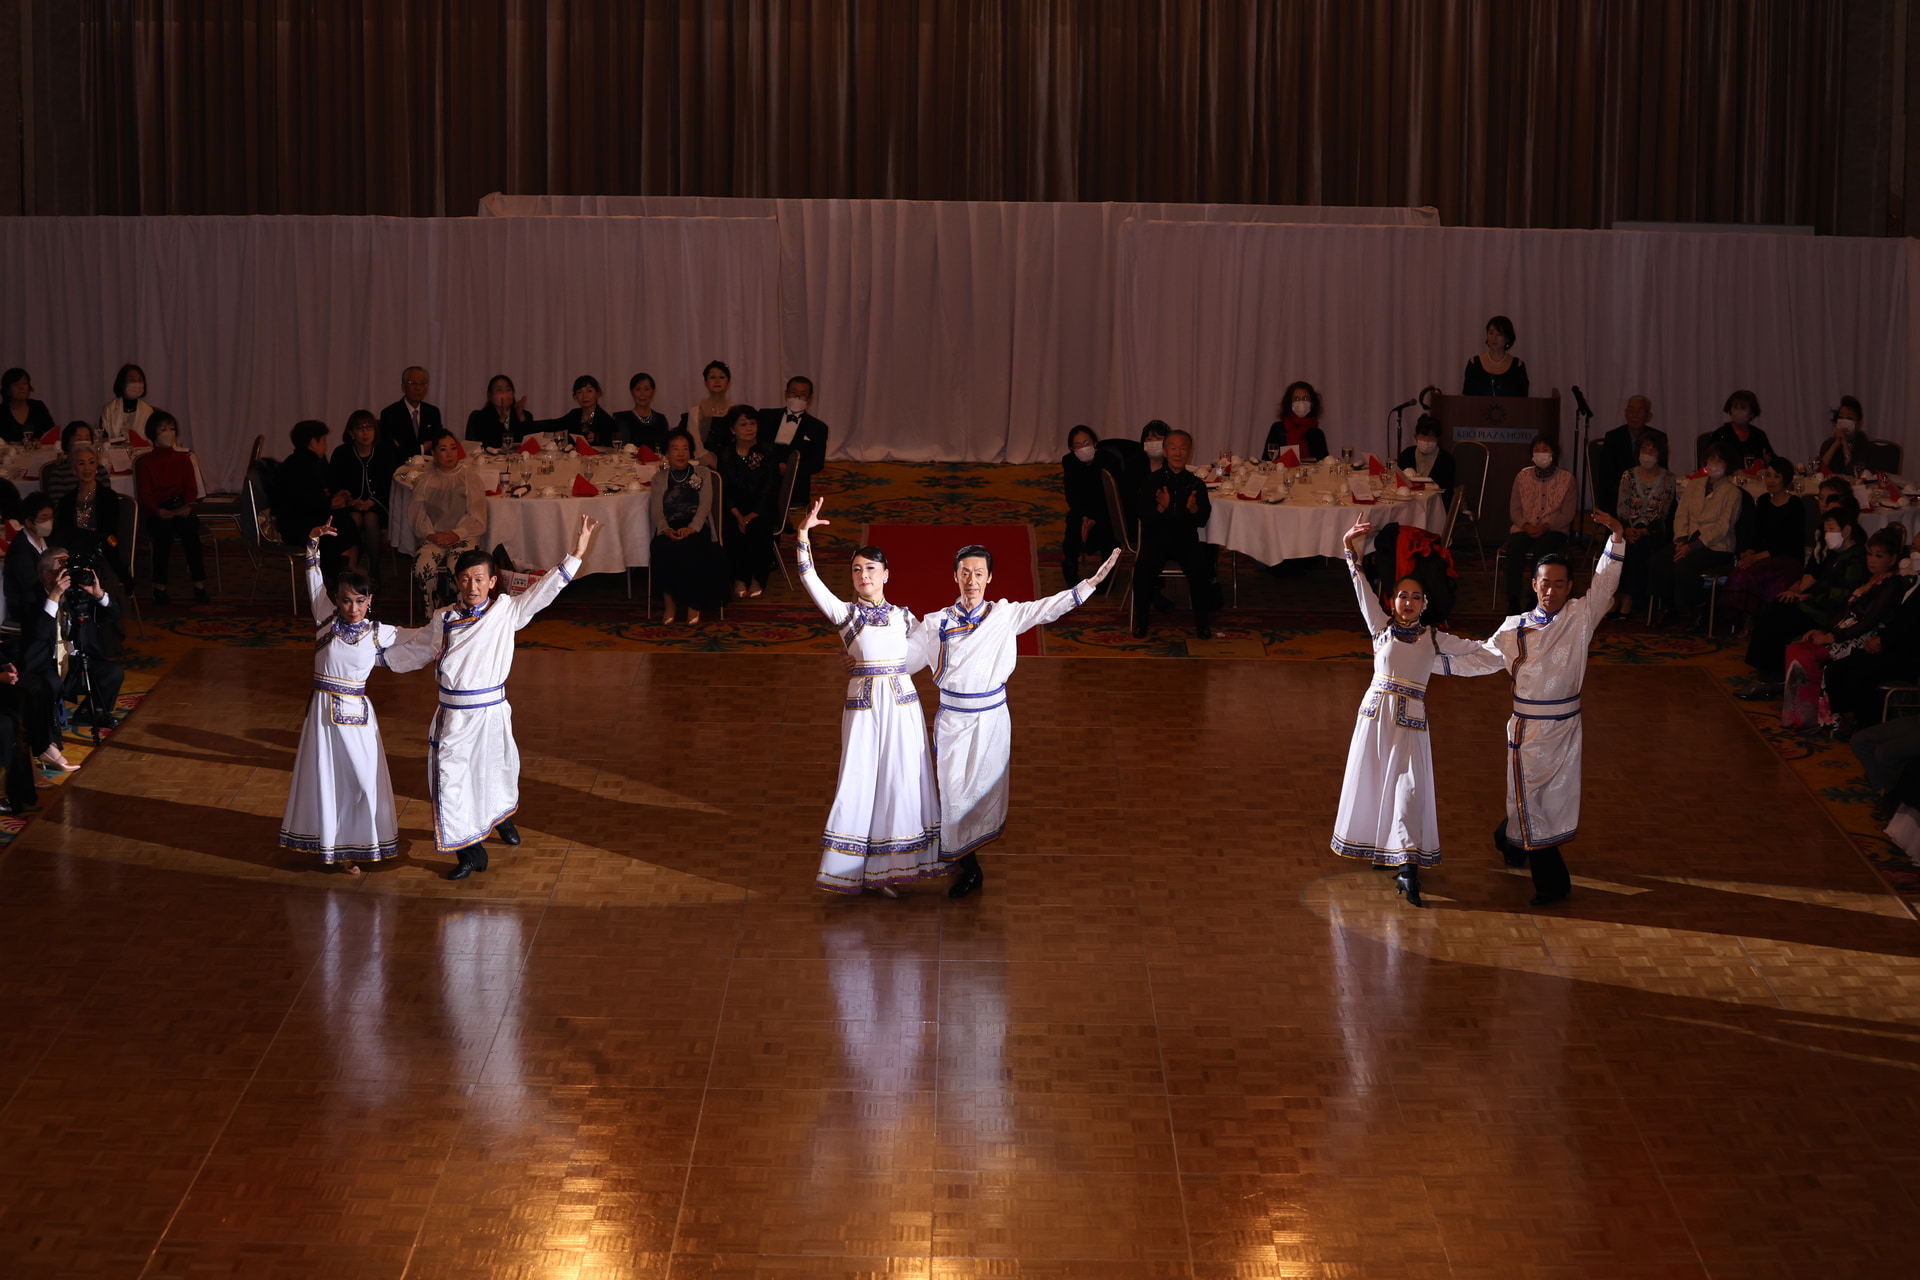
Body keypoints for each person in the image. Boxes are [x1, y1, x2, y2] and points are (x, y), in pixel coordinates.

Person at [906, 539, 1119, 899]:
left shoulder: (1004, 616)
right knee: (953, 793)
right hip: (955, 722)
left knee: (981, 794)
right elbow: (904, 661)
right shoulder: (936, 623)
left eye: (978, 573)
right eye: (964, 573)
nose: (971, 580)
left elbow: (1047, 609)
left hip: (991, 722)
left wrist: (1090, 584)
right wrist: (865, 662)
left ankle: (962, 859)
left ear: (990, 578)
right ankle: (967, 865)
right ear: (954, 577)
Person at [394, 515, 597, 880]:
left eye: (479, 580)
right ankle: (470, 853)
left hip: (491, 713)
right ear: (456, 582)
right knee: (449, 779)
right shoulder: (443, 618)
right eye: (465, 579)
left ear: (492, 582)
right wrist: (371, 650)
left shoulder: (506, 611)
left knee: (496, 774)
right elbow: (414, 648)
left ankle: (501, 818)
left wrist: (576, 553)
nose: (472, 586)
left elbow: (543, 590)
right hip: (454, 718)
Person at [1331, 519, 1505, 905]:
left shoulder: (1435, 638)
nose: (1407, 602)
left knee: (1407, 789)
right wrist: (1350, 549)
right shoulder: (1380, 629)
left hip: (1410, 723)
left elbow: (1482, 653)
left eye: (1415, 597)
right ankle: (1383, 848)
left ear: (1425, 604)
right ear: (1392, 600)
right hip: (1376, 719)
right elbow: (1361, 590)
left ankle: (1407, 865)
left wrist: (1516, 645)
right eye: (1401, 596)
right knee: (1376, 783)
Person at [1477, 511, 1628, 906]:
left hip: (1565, 729)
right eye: (1546, 584)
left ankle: (1509, 841)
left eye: (1560, 585)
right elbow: (1478, 657)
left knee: (1543, 801)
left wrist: (1616, 538)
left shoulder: (1580, 618)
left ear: (1569, 587)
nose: (1552, 591)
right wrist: (1428, 655)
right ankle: (1554, 884)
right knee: (1530, 799)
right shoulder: (1513, 628)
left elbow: (1605, 583)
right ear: (1534, 585)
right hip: (1527, 730)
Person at [793, 502, 943, 895]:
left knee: (901, 780)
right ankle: (852, 869)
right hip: (863, 710)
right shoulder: (845, 614)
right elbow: (811, 581)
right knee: (860, 779)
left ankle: (891, 869)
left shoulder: (904, 617)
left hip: (904, 707)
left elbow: (922, 654)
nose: (863, 575)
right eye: (857, 570)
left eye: (870, 569)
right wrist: (803, 537)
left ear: (886, 574)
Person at [277, 521, 427, 875]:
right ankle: (337, 849)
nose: (352, 607)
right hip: (323, 717)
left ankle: (363, 840)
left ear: (370, 600)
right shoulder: (325, 620)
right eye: (345, 600)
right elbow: (312, 576)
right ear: (337, 599)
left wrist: (452, 625)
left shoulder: (379, 633)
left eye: (360, 600)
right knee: (329, 780)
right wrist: (312, 541)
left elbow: (423, 636)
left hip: (358, 718)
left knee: (362, 780)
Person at [1779, 527, 1906, 733]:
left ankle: (1823, 717)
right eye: (1870, 554)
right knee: (1796, 648)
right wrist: (1823, 630)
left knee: (1810, 654)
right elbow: (1844, 610)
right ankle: (1802, 714)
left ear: (1892, 559)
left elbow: (1870, 621)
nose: (1872, 560)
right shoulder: (1870, 579)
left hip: (1862, 637)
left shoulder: (1892, 585)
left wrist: (1833, 636)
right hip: (1845, 630)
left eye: (1879, 556)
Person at [15, 545, 126, 771]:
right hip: (43, 665)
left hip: (73, 665)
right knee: (49, 684)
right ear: (47, 574)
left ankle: (88, 714)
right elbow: (37, 635)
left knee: (112, 673)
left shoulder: (76, 593)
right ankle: (50, 745)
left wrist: (98, 594)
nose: (69, 570)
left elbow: (112, 615)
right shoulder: (29, 597)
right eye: (62, 566)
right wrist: (54, 596)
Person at [1742, 510, 1870, 693]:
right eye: (1826, 529)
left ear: (1847, 530)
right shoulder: (1836, 554)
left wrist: (1807, 598)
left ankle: (1769, 677)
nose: (1827, 534)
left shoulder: (1855, 559)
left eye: (1831, 529)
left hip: (1827, 613)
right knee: (1778, 605)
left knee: (1774, 621)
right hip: (1816, 604)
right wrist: (1803, 594)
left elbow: (1839, 596)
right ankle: (1771, 670)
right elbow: (1823, 583)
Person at [1131, 429, 1218, 639]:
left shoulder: (1196, 483)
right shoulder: (1152, 481)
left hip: (1185, 540)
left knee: (1201, 570)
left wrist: (1194, 510)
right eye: (1173, 448)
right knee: (1142, 571)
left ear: (1190, 451)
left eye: (1182, 448)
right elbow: (1145, 518)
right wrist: (1162, 508)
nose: (1178, 453)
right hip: (1156, 540)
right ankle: (1141, 622)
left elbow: (1202, 519)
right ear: (1165, 451)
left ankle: (1202, 624)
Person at [1648, 443, 1744, 628]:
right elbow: (1682, 514)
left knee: (1685, 565)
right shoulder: (1694, 485)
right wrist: (1682, 540)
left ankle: (1697, 607)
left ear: (1728, 464)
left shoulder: (1733, 493)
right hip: (1688, 540)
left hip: (1717, 546)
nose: (1715, 463)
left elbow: (1723, 527)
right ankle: (1668, 606)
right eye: (1711, 459)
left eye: (1720, 460)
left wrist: (1693, 546)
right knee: (1658, 561)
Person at [649, 428, 728, 624]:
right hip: (669, 526)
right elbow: (657, 510)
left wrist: (692, 527)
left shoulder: (703, 473)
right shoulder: (659, 478)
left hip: (697, 526)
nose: (681, 453)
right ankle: (669, 603)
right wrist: (665, 529)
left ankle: (694, 603)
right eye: (675, 449)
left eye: (685, 448)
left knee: (693, 547)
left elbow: (705, 506)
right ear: (667, 453)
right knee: (661, 547)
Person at [133, 411, 209, 606]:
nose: (169, 433)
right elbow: (145, 496)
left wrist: (188, 507)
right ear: (153, 434)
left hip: (181, 507)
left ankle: (199, 584)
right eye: (163, 429)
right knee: (163, 537)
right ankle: (159, 586)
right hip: (157, 511)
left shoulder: (184, 459)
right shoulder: (146, 463)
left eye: (172, 428)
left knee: (190, 533)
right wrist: (158, 511)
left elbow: (190, 488)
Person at [408, 429, 488, 611]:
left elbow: (477, 515)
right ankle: (433, 610)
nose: (450, 453)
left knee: (458, 566)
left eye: (453, 448)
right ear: (434, 453)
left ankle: (465, 609)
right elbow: (418, 515)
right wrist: (430, 534)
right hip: (434, 536)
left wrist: (457, 533)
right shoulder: (424, 480)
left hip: (465, 534)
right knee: (423, 566)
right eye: (443, 449)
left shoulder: (470, 478)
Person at [1722, 457, 1806, 619]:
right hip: (1763, 556)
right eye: (1768, 475)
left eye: (1776, 476)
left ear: (1786, 479)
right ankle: (1740, 620)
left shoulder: (1795, 505)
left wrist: (1756, 557)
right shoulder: (1763, 501)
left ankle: (1758, 621)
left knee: (1756, 576)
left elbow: (1788, 542)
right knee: (1740, 571)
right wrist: (1750, 551)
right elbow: (1756, 532)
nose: (1771, 480)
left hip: (1787, 558)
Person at [1501, 435, 1576, 614]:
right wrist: (1526, 525)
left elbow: (1568, 514)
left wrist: (1546, 526)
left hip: (1554, 529)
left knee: (1543, 551)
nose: (1541, 453)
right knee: (1515, 549)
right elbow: (1515, 510)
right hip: (1525, 527)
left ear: (1554, 453)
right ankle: (1513, 600)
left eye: (1545, 449)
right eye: (1537, 450)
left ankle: (1535, 598)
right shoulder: (1522, 476)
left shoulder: (1567, 479)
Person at [328, 408, 400, 589]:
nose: (366, 432)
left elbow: (390, 484)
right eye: (360, 428)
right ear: (351, 432)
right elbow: (334, 483)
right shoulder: (342, 453)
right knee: (355, 517)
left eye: (369, 428)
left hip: (379, 505)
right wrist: (349, 499)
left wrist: (372, 501)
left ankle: (374, 569)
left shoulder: (384, 452)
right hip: (349, 505)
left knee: (370, 517)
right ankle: (351, 570)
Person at [273, 420, 358, 573]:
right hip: (297, 528)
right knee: (344, 528)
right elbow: (304, 502)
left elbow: (315, 495)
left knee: (345, 523)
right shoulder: (304, 465)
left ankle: (342, 575)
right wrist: (331, 504)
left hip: (298, 521)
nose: (325, 445)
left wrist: (334, 497)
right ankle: (340, 576)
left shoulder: (300, 461)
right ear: (313, 442)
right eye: (323, 440)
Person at [1611, 427, 1675, 618]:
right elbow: (1622, 506)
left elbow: (1662, 512)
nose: (1647, 454)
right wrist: (1626, 529)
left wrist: (1643, 530)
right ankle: (1617, 595)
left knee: (1639, 548)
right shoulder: (1628, 475)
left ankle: (1629, 597)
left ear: (1660, 454)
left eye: (1652, 450)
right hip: (1626, 528)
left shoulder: (1668, 479)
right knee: (1620, 545)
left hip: (1653, 531)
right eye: (1643, 450)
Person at [714, 404, 777, 598]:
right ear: (733, 429)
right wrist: (737, 514)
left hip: (761, 507)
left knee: (757, 527)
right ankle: (740, 578)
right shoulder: (725, 454)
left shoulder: (768, 450)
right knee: (732, 528)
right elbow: (724, 489)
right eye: (743, 424)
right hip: (735, 508)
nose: (749, 428)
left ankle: (758, 577)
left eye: (753, 423)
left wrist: (752, 514)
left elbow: (770, 487)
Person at [53, 445, 132, 593]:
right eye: (81, 463)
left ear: (96, 466)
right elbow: (63, 534)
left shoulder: (109, 497)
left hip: (102, 554)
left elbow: (109, 534)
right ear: (73, 469)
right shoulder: (66, 501)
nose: (87, 468)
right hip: (74, 555)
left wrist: (84, 536)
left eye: (91, 462)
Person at [755, 375, 831, 510]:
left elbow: (817, 464)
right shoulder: (765, 416)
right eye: (793, 393)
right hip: (761, 478)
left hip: (794, 484)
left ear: (809, 398)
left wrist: (791, 469)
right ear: (786, 394)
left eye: (802, 394)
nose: (797, 397)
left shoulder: (818, 428)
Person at [1060, 425, 1117, 589]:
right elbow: (1071, 494)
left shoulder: (1109, 460)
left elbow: (1111, 497)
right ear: (1072, 448)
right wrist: (1084, 517)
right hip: (1082, 509)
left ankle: (1106, 575)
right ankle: (1070, 569)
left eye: (1086, 443)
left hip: (1105, 508)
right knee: (1073, 521)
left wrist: (1095, 519)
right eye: (1077, 445)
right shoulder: (1069, 461)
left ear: (1095, 443)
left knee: (1108, 527)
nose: (1083, 448)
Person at [1593, 395, 1655, 519]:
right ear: (1626, 413)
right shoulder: (1613, 437)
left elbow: (1661, 472)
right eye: (1631, 410)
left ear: (1648, 415)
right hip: (1619, 496)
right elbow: (1605, 478)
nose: (1634, 415)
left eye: (1639, 411)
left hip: (1650, 495)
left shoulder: (1657, 437)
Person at [5, 494, 56, 622]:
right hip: (27, 606)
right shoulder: (20, 548)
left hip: (48, 597)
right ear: (28, 522)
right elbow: (29, 584)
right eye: (43, 518)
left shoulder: (48, 540)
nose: (49, 522)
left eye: (51, 517)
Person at [378, 366, 442, 458]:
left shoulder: (433, 412)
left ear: (426, 388)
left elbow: (437, 443)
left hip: (428, 468)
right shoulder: (390, 414)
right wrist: (422, 448)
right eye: (412, 383)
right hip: (400, 468)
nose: (417, 388)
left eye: (422, 383)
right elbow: (391, 451)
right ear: (403, 387)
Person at [1395, 414, 1456, 507]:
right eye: (1423, 437)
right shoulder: (1407, 454)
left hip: (1435, 506)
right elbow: (1399, 483)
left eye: (1431, 437)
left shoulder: (1446, 460)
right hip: (1408, 503)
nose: (1427, 441)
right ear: (1415, 437)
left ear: (1438, 439)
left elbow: (1447, 491)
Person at [682, 360, 737, 461]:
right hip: (703, 465)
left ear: (728, 382)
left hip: (731, 464)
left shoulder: (735, 411)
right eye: (712, 377)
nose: (717, 381)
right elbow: (696, 448)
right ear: (706, 382)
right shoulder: (695, 412)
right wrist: (715, 464)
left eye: (721, 377)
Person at [1461, 315, 1529, 396]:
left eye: (1499, 334)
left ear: (1507, 338)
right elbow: (1467, 396)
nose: (1494, 338)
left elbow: (1522, 399)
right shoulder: (1474, 363)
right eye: (1491, 333)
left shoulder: (1517, 365)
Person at [1705, 390, 1774, 470]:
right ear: (1730, 410)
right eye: (1735, 407)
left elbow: (1774, 463)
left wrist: (1768, 462)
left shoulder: (1758, 435)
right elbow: (1706, 461)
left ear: (1751, 413)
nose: (1738, 412)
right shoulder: (1720, 434)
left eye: (1743, 408)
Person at [1263, 381, 1329, 462]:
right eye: (1296, 399)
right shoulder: (1277, 429)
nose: (1301, 402)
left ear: (1312, 403)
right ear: (1290, 403)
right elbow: (1266, 460)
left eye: (1305, 398)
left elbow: (1325, 464)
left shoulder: (1317, 434)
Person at [465, 374, 532, 449]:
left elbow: (529, 444)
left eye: (508, 390)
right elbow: (488, 443)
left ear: (513, 394)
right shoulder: (480, 417)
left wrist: (521, 417)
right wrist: (501, 419)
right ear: (490, 395)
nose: (504, 394)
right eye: (499, 390)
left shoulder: (525, 415)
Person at [37, 421, 95, 507]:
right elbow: (57, 507)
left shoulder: (99, 470)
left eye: (87, 439)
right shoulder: (59, 473)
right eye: (79, 440)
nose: (83, 444)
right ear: (68, 443)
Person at [97, 363, 155, 445]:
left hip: (141, 454)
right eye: (132, 380)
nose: (137, 384)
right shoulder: (109, 409)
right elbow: (103, 438)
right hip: (114, 453)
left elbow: (151, 440)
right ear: (122, 383)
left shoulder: (148, 410)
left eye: (140, 380)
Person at [613, 372, 669, 453]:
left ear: (653, 391)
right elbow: (623, 450)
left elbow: (665, 449)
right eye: (638, 389)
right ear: (631, 392)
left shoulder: (661, 419)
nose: (642, 394)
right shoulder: (624, 419)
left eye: (647, 389)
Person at [553, 374, 613, 445]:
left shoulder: (605, 419)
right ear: (575, 396)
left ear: (597, 393)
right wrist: (536, 425)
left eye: (589, 391)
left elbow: (612, 442)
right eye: (579, 392)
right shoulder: (574, 414)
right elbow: (554, 425)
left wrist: (597, 438)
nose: (584, 396)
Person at [1, 368, 56, 445]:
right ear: (7, 390)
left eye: (25, 383)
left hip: (39, 454)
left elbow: (51, 433)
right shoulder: (2, 411)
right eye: (16, 384)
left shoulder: (38, 407)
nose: (21, 388)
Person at [1818, 396, 1867, 475]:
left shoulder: (1863, 443)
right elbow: (1819, 470)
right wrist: (1835, 445)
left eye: (1849, 418)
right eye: (1840, 417)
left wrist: (1845, 444)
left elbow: (1854, 472)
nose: (1844, 421)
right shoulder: (1829, 443)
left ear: (1858, 423)